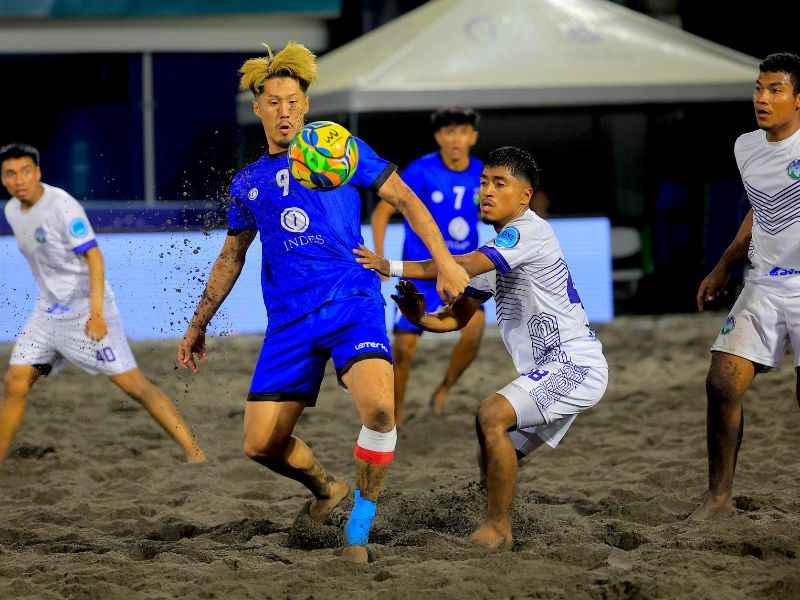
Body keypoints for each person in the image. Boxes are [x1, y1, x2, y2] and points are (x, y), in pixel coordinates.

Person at [176, 42, 468, 563]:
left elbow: (403, 198)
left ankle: (358, 525)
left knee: (380, 407)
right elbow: (231, 256)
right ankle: (326, 488)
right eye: (274, 102)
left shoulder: (343, 149)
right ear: (258, 108)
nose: (284, 110)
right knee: (260, 445)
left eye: (293, 101)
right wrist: (199, 322)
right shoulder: (248, 183)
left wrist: (446, 262)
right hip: (288, 321)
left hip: (350, 299)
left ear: (306, 106)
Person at [355, 146, 608, 550]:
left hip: (574, 366)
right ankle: (497, 514)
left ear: (524, 196)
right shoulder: (501, 252)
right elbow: (457, 317)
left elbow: (462, 265)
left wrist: (391, 266)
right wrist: (418, 315)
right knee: (490, 442)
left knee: (490, 415)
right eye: (485, 182)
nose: (486, 191)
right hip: (551, 371)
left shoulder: (526, 231)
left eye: (500, 183)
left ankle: (498, 527)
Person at [0, 143, 205, 465]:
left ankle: (195, 454)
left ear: (38, 172)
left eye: (25, 171)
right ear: (3, 179)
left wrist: (96, 315)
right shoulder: (12, 210)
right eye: (10, 174)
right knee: (15, 382)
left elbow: (94, 259)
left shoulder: (62, 207)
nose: (18, 179)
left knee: (134, 385)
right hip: (48, 312)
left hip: (87, 310)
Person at [693, 52, 800, 520]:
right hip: (762, 283)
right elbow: (761, 209)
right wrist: (722, 266)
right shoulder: (746, 147)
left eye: (775, 89)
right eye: (759, 87)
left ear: (798, 98)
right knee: (721, 382)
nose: (762, 97)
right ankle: (719, 499)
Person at [371, 107, 484, 423]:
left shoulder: (482, 173)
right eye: (449, 132)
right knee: (404, 350)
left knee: (473, 332)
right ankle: (395, 415)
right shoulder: (420, 171)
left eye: (462, 131)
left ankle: (444, 389)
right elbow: (382, 213)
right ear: (438, 137)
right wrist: (382, 260)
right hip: (420, 274)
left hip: (461, 273)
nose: (455, 139)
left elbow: (497, 212)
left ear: (473, 137)